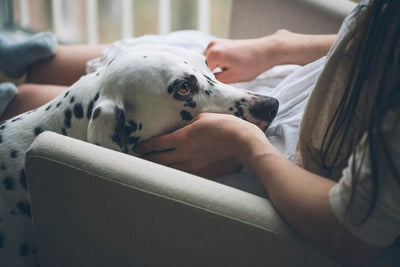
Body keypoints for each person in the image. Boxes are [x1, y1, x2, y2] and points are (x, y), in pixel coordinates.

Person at [0, 0, 398, 266]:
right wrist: (279, 46)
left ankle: (25, 67)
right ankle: (28, 62)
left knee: (75, 95)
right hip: (318, 83)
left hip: (297, 165)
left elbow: (353, 231)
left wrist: (248, 147)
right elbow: (370, 42)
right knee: (189, 54)